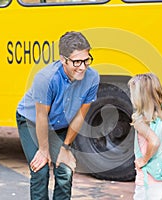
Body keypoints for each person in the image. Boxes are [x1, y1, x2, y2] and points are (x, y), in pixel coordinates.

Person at [16, 31, 100, 200]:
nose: (83, 66)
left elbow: (79, 116)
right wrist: (43, 150)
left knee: (65, 168)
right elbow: (41, 117)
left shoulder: (92, 77)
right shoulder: (46, 78)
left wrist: (65, 147)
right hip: (32, 121)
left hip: (60, 124)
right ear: (63, 59)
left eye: (86, 60)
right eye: (77, 61)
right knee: (40, 169)